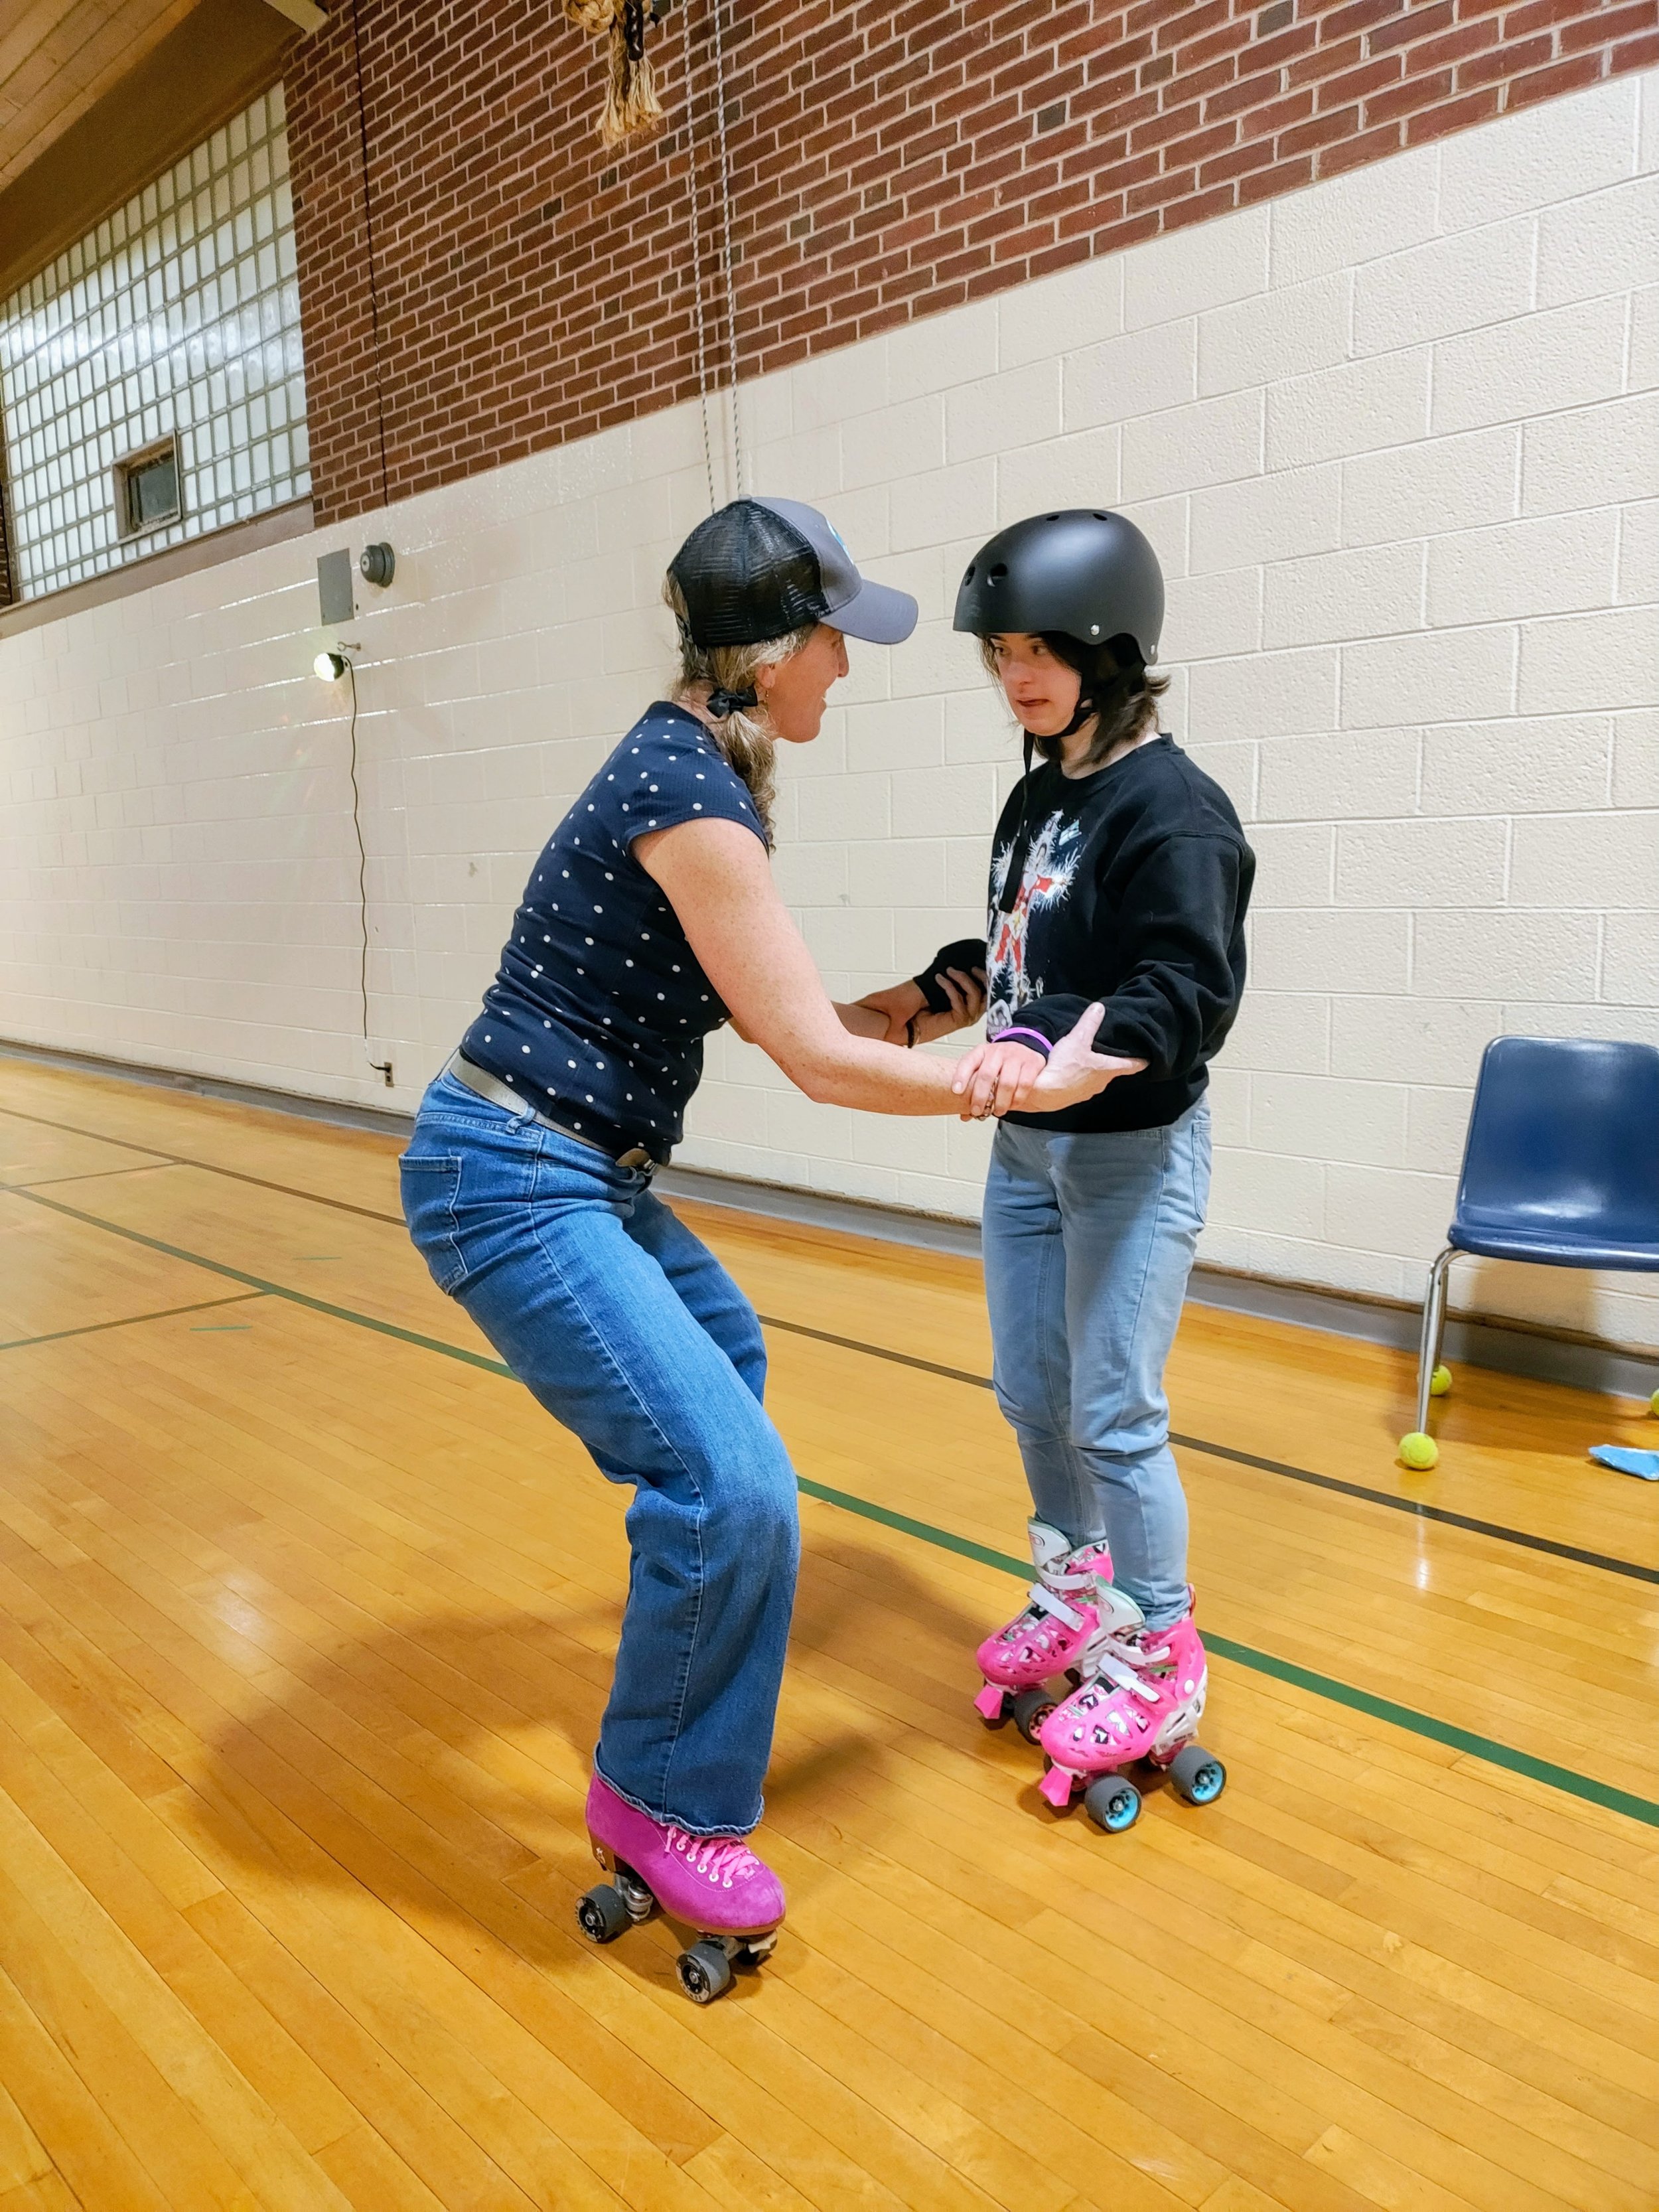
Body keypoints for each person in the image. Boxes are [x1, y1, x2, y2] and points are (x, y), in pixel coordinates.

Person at [399, 495, 1142, 1996]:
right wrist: (1009, 1072)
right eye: (830, 647)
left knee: (726, 1371)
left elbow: (799, 1014)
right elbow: (804, 1052)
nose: (842, 677)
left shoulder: (692, 762)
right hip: (510, 1175)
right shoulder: (687, 791)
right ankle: (664, 1792)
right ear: (769, 652)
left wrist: (909, 1018)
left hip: (577, 1166)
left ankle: (681, 1664)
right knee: (735, 1483)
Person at [859, 508, 1254, 1826]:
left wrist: (1091, 1058)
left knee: (1111, 1407)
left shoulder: (1175, 812)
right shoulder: (1038, 789)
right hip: (1028, 1151)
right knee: (1030, 1389)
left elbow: (1179, 988)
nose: (1013, 676)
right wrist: (912, 1004)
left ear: (1113, 649)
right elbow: (1018, 956)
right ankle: (1077, 1591)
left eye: (1038, 650)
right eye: (998, 654)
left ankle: (1159, 1649)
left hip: (1129, 1156)